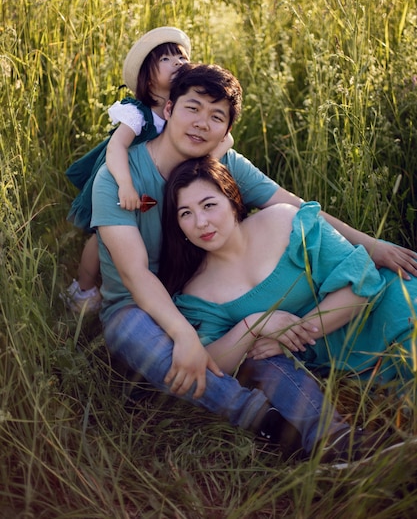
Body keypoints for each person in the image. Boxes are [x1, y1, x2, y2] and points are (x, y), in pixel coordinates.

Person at [90, 62, 407, 464]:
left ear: (227, 130)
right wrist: (184, 336)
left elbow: (295, 207)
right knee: (140, 334)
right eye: (193, 108)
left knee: (259, 334)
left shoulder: (223, 167)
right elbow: (135, 275)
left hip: (212, 295)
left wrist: (370, 245)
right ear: (168, 110)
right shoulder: (116, 178)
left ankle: (338, 440)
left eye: (216, 116)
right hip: (138, 303)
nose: (202, 124)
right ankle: (267, 423)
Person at [159, 155, 417, 394]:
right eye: (186, 214)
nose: (200, 222)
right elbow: (211, 363)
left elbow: (361, 284)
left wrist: (293, 334)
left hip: (391, 308)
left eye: (209, 205)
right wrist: (253, 325)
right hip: (340, 362)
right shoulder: (198, 291)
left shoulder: (284, 221)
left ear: (232, 199)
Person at [62, 27, 233, 313]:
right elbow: (116, 149)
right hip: (121, 174)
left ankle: (142, 279)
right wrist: (124, 184)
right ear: (149, 80)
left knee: (145, 233)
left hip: (159, 179)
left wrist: (201, 167)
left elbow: (226, 138)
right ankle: (83, 288)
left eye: (181, 56)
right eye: (166, 59)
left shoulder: (185, 110)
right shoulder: (138, 112)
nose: (177, 62)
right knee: (100, 234)